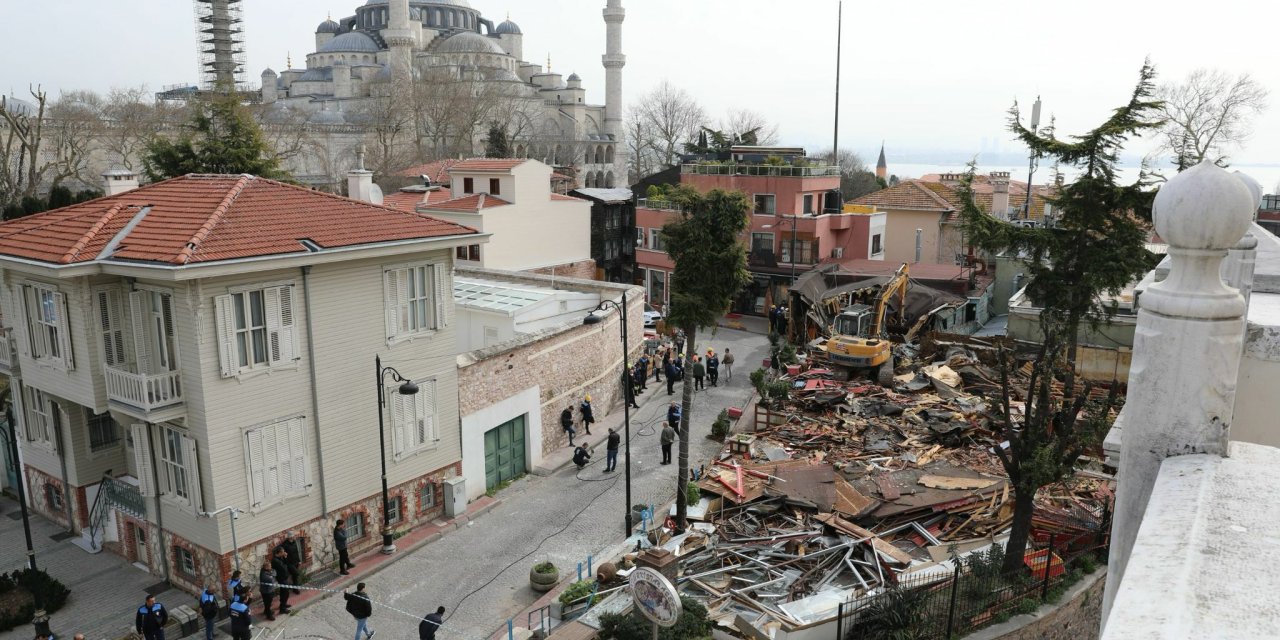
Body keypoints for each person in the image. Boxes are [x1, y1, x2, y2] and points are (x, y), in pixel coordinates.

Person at [271, 547, 292, 614]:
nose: (284, 553)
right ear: (279, 553)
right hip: (281, 578)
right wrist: (284, 559)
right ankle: (282, 609)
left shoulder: (280, 558)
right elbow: (284, 567)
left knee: (284, 592)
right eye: (283, 552)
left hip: (284, 577)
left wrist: (285, 557)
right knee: (285, 593)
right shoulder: (275, 560)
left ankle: (283, 604)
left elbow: (286, 564)